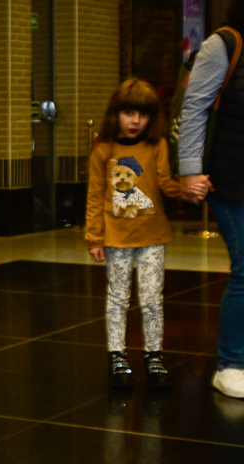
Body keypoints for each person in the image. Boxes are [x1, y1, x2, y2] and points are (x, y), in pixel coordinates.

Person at [85, 79, 181, 390]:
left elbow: (166, 183)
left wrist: (190, 188)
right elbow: (96, 196)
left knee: (153, 298)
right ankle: (118, 356)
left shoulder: (158, 146)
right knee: (117, 298)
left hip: (152, 234)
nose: (135, 121)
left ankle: (154, 356)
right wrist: (94, 236)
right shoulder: (103, 150)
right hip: (116, 236)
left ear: (153, 118)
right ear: (116, 114)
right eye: (128, 113)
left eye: (142, 114)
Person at [179, 3, 244, 399]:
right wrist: (188, 170)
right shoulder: (224, 44)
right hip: (231, 179)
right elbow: (194, 108)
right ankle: (231, 364)